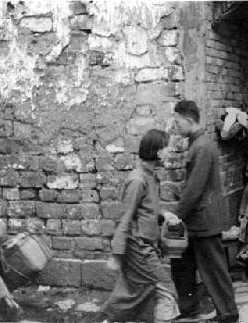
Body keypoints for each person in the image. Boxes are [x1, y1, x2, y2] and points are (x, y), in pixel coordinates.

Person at [101, 129, 180, 323]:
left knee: (134, 292)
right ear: (156, 150)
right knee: (166, 289)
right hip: (139, 247)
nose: (170, 151)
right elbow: (125, 218)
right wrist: (116, 254)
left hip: (145, 245)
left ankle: (108, 320)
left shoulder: (150, 176)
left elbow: (147, 208)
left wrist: (163, 213)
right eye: (167, 147)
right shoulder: (137, 180)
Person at [170, 100, 238, 323]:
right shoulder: (198, 143)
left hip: (203, 221)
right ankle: (189, 310)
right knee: (181, 263)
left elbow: (194, 188)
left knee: (214, 271)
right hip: (197, 221)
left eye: (178, 121)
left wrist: (177, 216)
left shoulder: (201, 147)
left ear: (189, 120)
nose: (175, 126)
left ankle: (228, 314)